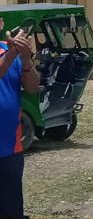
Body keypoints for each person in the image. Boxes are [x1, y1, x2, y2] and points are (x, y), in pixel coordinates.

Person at [0, 17, 40, 218]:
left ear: (0, 24)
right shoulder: (10, 51)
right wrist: (13, 53)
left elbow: (32, 87)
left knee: (11, 210)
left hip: (9, 149)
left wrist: (25, 60)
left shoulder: (9, 50)